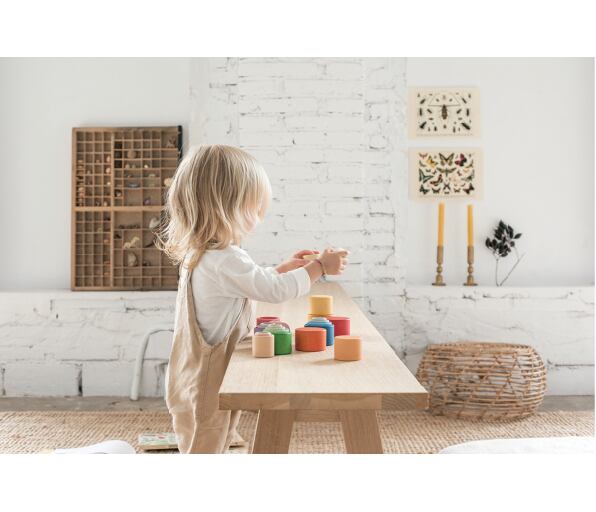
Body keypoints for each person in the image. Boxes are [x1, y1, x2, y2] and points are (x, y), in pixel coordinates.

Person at [159, 144, 349, 453]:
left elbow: (250, 283)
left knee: (200, 434)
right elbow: (273, 291)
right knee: (208, 436)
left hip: (190, 368)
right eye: (256, 209)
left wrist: (281, 269)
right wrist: (319, 268)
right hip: (208, 375)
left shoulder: (202, 254)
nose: (260, 218)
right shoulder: (226, 258)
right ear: (227, 207)